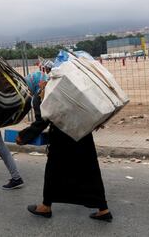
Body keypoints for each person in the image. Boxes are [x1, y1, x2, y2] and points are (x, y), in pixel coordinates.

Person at [16, 81, 112, 222]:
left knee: (52, 171)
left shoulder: (51, 94)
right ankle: (103, 209)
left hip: (63, 140)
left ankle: (46, 206)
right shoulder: (74, 89)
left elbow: (44, 119)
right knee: (90, 171)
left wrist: (24, 136)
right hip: (83, 137)